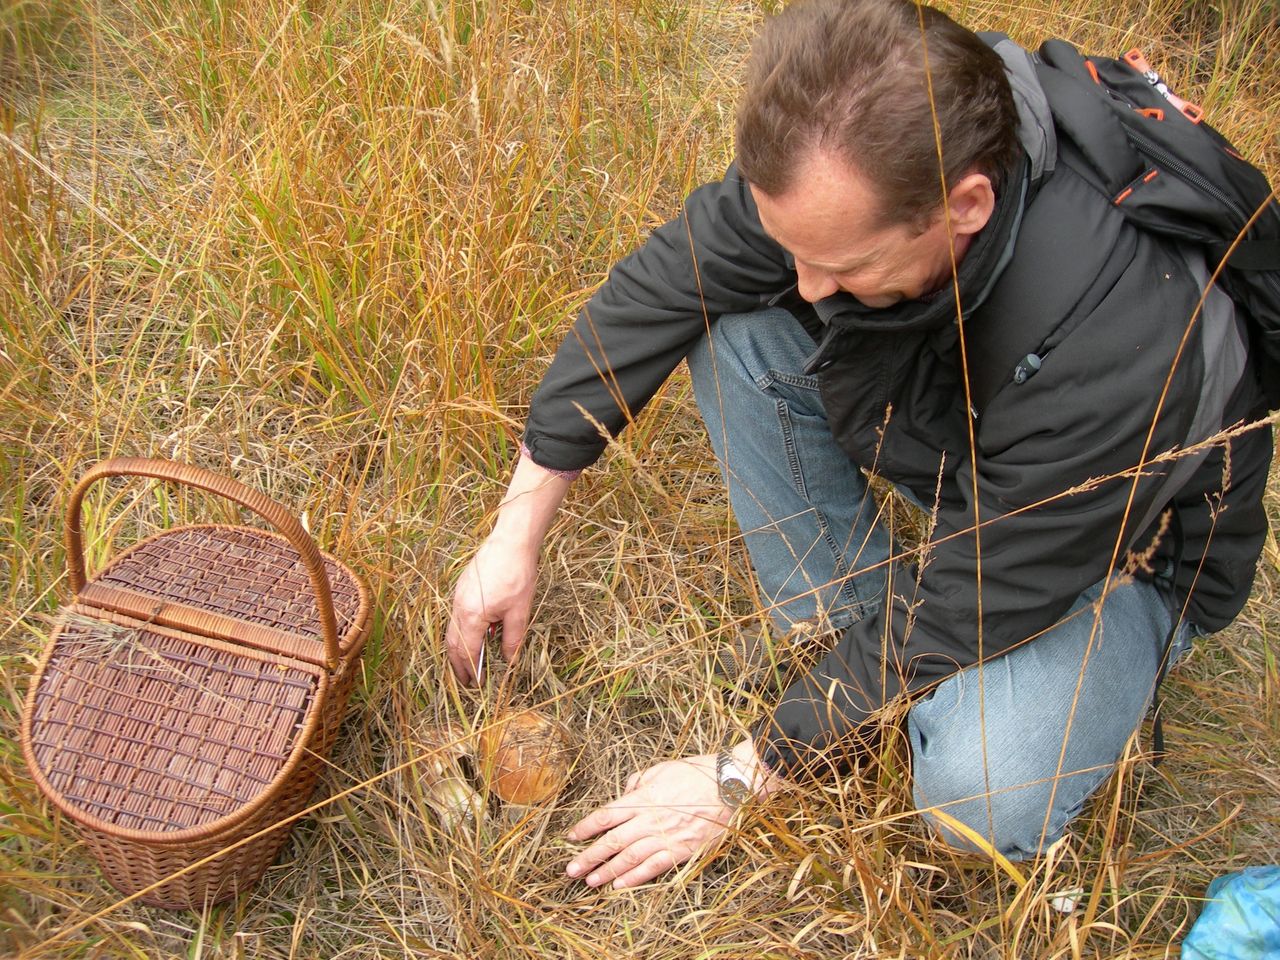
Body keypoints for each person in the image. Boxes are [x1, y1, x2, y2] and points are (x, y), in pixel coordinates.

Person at [444, 0, 1272, 890]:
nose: (805, 284)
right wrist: (516, 529)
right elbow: (665, 288)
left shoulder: (1116, 340)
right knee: (735, 328)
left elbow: (970, 596)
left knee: (977, 792)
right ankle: (849, 642)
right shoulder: (850, 153)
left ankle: (972, 687)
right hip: (981, 454)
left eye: (841, 267)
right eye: (796, 247)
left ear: (965, 206)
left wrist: (739, 778)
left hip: (1122, 556)